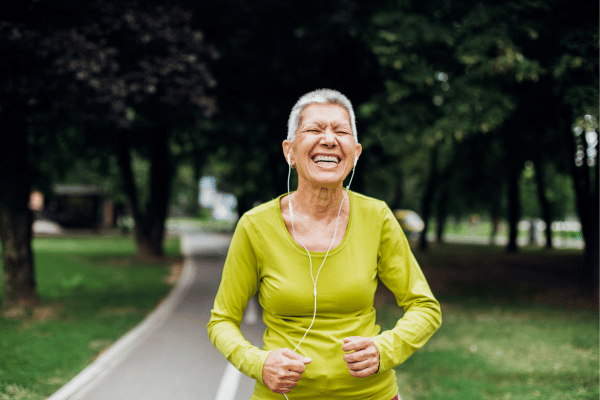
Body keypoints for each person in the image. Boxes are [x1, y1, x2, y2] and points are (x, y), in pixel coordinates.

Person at [207, 89, 442, 400]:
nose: (329, 140)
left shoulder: (378, 217)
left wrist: (385, 348)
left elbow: (425, 307)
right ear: (289, 151)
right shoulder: (255, 226)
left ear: (355, 152)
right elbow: (222, 320)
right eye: (315, 129)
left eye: (340, 131)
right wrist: (259, 363)